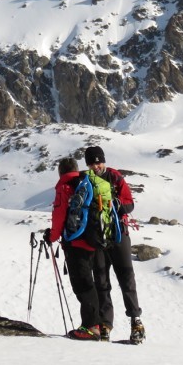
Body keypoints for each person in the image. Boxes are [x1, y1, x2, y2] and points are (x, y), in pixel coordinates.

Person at [84, 145, 145, 344]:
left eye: (98, 161)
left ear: (104, 161)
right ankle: (105, 325)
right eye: (92, 162)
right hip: (100, 239)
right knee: (102, 282)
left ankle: (135, 321)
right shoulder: (86, 180)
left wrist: (117, 204)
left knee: (125, 279)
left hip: (117, 235)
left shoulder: (115, 177)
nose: (96, 166)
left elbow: (129, 203)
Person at [45, 157, 103, 340]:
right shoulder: (87, 183)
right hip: (93, 239)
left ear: (61, 172)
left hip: (75, 242)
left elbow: (59, 215)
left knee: (82, 284)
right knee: (89, 282)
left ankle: (91, 327)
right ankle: (94, 325)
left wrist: (52, 237)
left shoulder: (65, 186)